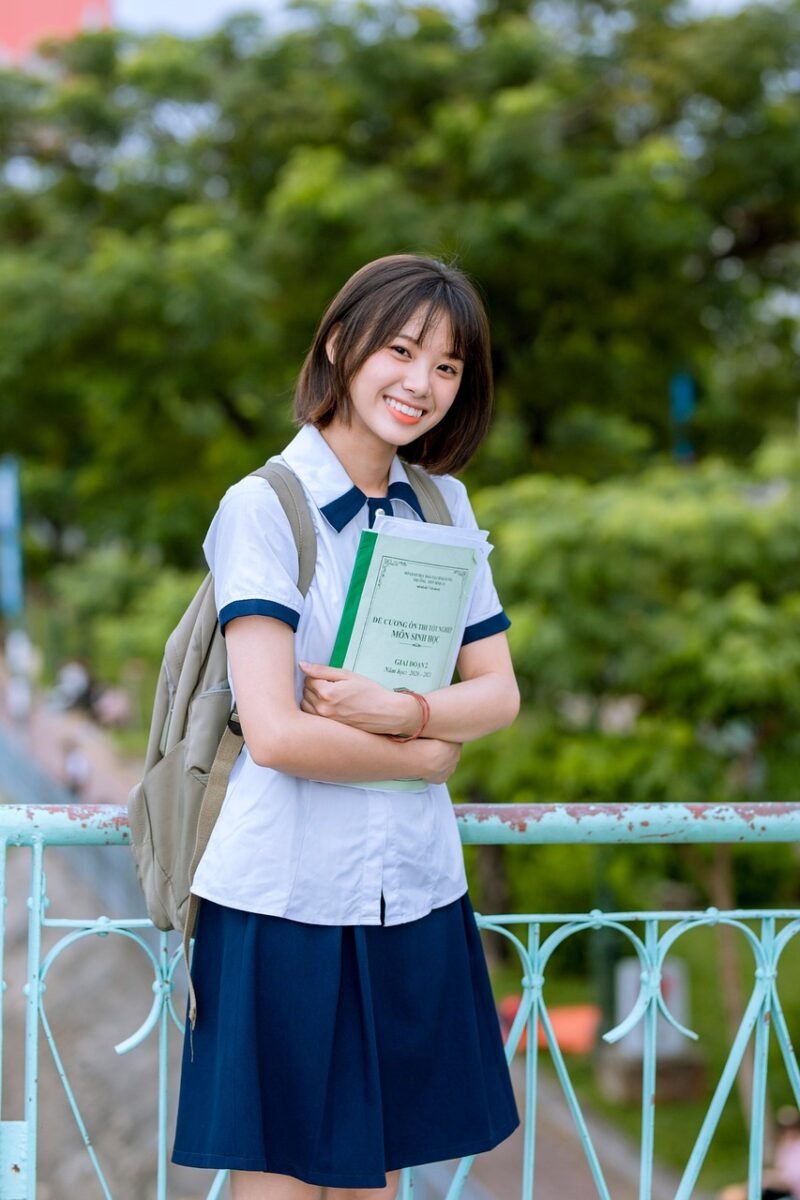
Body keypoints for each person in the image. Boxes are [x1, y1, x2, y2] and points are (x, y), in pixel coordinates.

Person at [171, 254, 521, 1200]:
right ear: (340, 343)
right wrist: (429, 752)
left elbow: (498, 694)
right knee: (281, 1182)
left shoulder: (444, 505)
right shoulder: (264, 508)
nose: (422, 384)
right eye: (402, 350)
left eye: (448, 367)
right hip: (284, 896)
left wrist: (405, 713)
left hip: (410, 891)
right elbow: (277, 734)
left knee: (377, 1184)